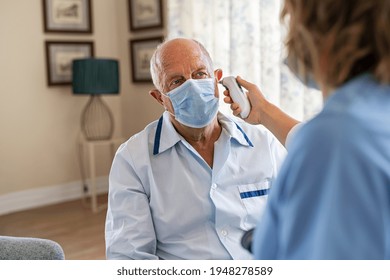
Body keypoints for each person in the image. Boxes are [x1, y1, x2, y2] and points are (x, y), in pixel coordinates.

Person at [229, 0, 390, 259]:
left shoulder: (335, 140)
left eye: (289, 17)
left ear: (321, 31)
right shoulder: (367, 117)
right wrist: (264, 113)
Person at [104, 38, 287, 260]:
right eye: (176, 81)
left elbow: (299, 220)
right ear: (160, 98)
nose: (191, 85)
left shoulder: (262, 143)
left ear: (217, 79)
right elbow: (129, 258)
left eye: (200, 74)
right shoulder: (132, 160)